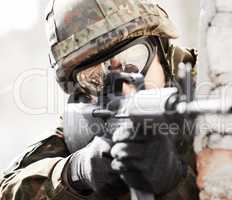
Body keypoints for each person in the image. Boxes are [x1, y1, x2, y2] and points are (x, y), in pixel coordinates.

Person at [0, 0, 198, 199]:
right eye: (95, 77)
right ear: (82, 90)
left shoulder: (211, 98)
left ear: (162, 51)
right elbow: (7, 189)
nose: (124, 87)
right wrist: (78, 171)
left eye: (133, 61)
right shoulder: (84, 123)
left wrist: (178, 183)